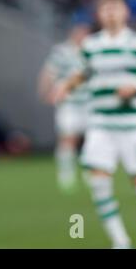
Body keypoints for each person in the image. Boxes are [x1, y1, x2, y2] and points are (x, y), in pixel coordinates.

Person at [53, 0, 136, 248]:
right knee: (99, 183)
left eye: (114, 7)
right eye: (105, 8)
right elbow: (81, 73)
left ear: (125, 11)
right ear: (99, 14)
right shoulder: (91, 45)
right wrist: (65, 86)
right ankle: (121, 241)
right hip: (100, 125)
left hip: (133, 126)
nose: (109, 13)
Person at [38, 24, 90, 193]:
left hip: (90, 102)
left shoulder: (92, 50)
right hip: (68, 102)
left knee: (91, 139)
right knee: (68, 138)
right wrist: (45, 91)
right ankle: (66, 175)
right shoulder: (62, 51)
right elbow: (49, 72)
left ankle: (90, 173)